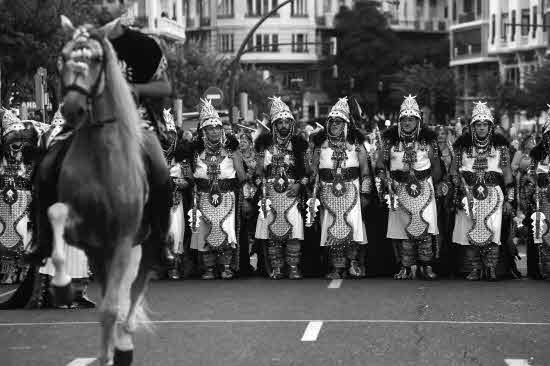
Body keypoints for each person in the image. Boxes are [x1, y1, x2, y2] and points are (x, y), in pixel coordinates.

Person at [377, 96, 441, 280]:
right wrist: (384, 181)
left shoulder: (429, 142)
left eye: (411, 119)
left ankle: (426, 266)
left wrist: (431, 188)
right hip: (398, 190)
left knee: (425, 229)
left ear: (418, 121)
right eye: (404, 119)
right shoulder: (390, 142)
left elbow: (436, 167)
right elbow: (381, 164)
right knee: (403, 230)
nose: (407, 122)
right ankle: (405, 267)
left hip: (424, 191)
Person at [451, 102, 513, 281]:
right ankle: (475, 268)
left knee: (492, 230)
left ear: (490, 126)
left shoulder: (500, 147)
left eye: (485, 124)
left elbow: (508, 176)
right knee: (469, 230)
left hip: (493, 195)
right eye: (478, 124)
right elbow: (454, 172)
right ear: (472, 126)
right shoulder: (462, 147)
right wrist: (458, 186)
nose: (481, 128)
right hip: (468, 195)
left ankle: (491, 268)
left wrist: (510, 200)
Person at [311, 97, 370, 279]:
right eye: (332, 121)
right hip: (328, 193)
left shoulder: (356, 145)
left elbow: (365, 170)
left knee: (352, 226)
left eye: (339, 121)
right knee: (331, 227)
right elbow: (313, 171)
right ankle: (337, 267)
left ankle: (352, 263)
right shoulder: (320, 146)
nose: (335, 124)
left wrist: (366, 192)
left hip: (352, 191)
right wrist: (313, 191)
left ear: (346, 124)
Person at [187, 99, 246, 279]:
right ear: (203, 131)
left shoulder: (231, 151)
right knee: (205, 231)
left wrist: (235, 158)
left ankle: (226, 266)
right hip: (203, 196)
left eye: (217, 127)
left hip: (227, 196)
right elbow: (190, 176)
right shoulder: (195, 153)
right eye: (210, 128)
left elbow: (242, 176)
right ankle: (209, 269)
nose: (214, 131)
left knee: (226, 230)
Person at [254, 97, 308, 279]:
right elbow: (259, 172)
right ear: (274, 125)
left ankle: (293, 267)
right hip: (271, 193)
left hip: (292, 193)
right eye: (279, 122)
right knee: (272, 233)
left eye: (287, 122)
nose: (283, 125)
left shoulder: (299, 145)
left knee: (293, 231)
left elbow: (308, 173)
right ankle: (277, 267)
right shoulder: (265, 145)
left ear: (291, 124)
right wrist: (262, 186)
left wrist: (300, 184)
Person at [0, 109, 38, 284]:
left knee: (25, 236)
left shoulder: (29, 162)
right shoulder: (2, 163)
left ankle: (24, 269)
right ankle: (8, 270)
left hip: (24, 203)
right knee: (4, 237)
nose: (17, 147)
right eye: (13, 142)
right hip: (4, 205)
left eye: (20, 142)